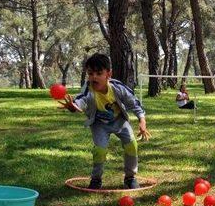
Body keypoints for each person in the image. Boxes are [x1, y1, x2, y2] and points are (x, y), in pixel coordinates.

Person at [58, 53, 151, 190]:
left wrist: (142, 121)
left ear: (108, 74)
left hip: (119, 121)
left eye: (98, 73)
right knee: (100, 150)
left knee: (132, 144)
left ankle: (130, 177)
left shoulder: (118, 87)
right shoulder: (88, 89)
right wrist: (73, 107)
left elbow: (134, 103)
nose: (94, 77)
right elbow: (81, 101)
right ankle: (96, 179)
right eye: (90, 73)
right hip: (99, 124)